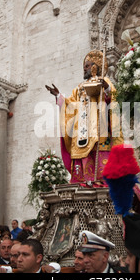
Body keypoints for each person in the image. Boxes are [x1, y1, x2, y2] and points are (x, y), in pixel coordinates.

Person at [45, 50, 123, 185]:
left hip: (100, 132)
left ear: (95, 67)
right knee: (83, 167)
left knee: (101, 169)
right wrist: (59, 96)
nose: (85, 69)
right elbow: (71, 106)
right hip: (82, 133)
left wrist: (106, 89)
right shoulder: (79, 89)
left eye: (87, 66)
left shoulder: (104, 82)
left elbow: (113, 101)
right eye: (84, 67)